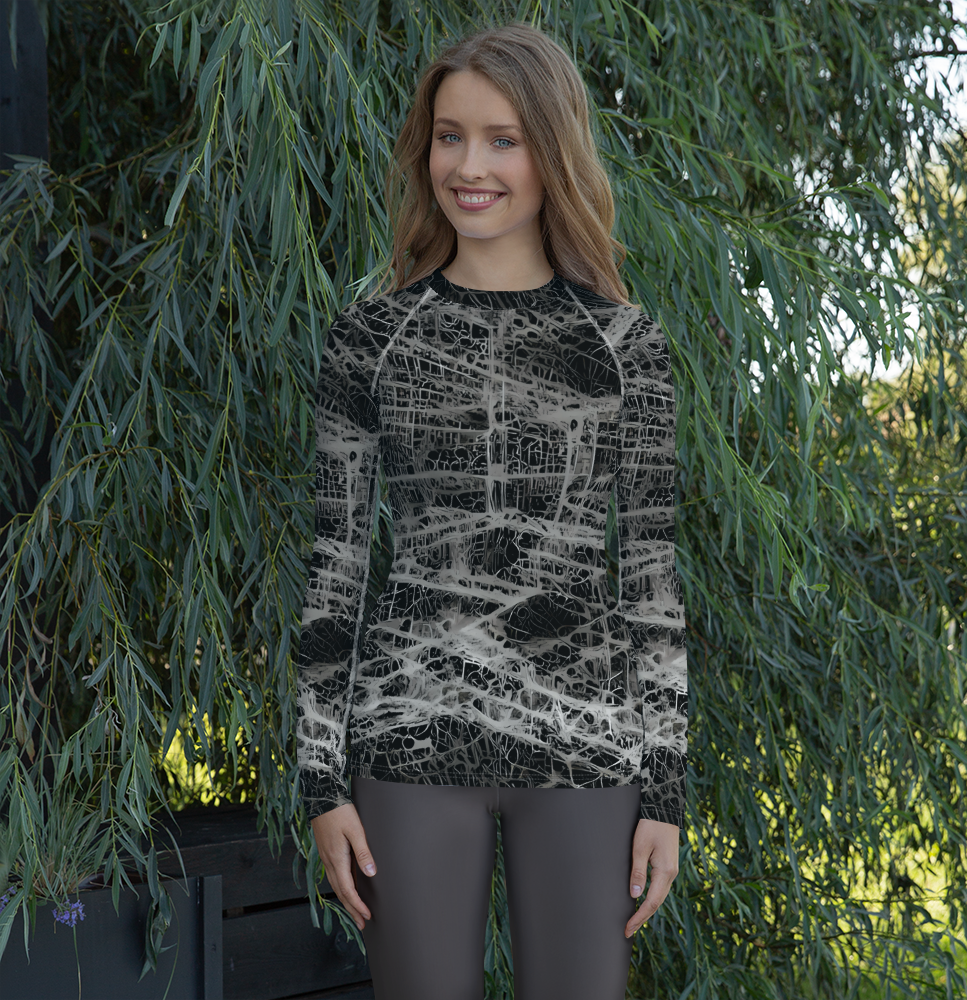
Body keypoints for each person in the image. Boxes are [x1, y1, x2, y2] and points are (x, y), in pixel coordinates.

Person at [295, 20, 686, 1000]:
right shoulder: (370, 340)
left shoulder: (624, 347)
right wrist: (321, 783)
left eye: (502, 139)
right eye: (449, 136)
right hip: (409, 745)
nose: (468, 166)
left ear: (551, 151)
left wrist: (666, 794)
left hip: (587, 752)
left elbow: (650, 578)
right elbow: (336, 568)